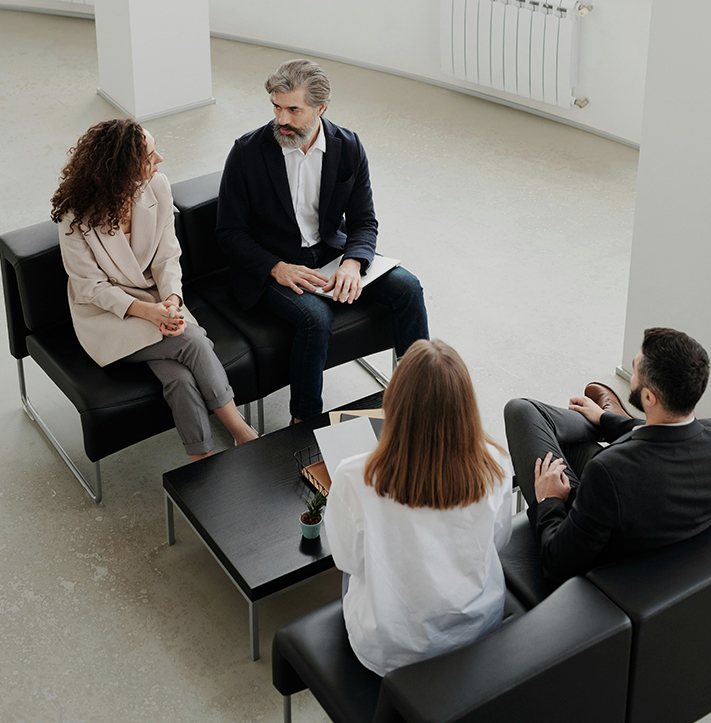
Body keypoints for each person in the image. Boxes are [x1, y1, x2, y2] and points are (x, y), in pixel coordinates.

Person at [216, 58, 429, 423]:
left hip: (332, 252)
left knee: (408, 287)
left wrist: (353, 262)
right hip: (274, 264)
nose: (281, 119)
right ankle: (305, 423)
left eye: (293, 110)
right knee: (316, 318)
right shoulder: (247, 152)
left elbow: (364, 220)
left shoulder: (348, 146)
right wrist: (277, 268)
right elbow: (228, 233)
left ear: (321, 108)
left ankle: (421, 397)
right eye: (276, 107)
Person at [51, 119, 257, 462]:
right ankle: (242, 433)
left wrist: (172, 300)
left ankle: (201, 462)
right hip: (108, 314)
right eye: (149, 155)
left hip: (159, 300)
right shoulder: (75, 215)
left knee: (179, 378)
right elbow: (89, 286)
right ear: (121, 167)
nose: (159, 159)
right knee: (192, 340)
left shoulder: (157, 186)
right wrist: (149, 312)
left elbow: (167, 256)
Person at [324, 339, 513, 676]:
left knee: (353, 575)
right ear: (466, 407)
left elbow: (347, 560)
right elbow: (498, 542)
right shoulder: (495, 464)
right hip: (479, 626)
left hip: (392, 651)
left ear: (393, 403)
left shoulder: (355, 476)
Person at [504, 327, 711, 583]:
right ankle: (608, 420)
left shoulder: (608, 471)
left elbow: (557, 563)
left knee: (520, 411)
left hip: (595, 564)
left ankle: (597, 427)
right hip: (643, 518)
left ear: (648, 397)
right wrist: (604, 419)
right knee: (570, 437)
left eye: (635, 370)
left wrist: (549, 499)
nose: (632, 377)